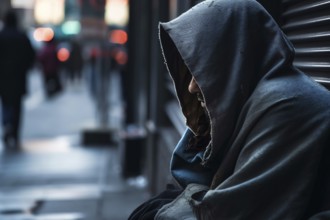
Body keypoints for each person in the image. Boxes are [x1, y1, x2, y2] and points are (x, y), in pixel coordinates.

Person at [129, 0, 330, 219]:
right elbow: (193, 173)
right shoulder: (245, 99)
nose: (191, 86)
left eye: (205, 67)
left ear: (235, 58)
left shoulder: (288, 103)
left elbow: (229, 211)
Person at [0, 10, 35, 149]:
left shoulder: (1, 36)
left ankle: (7, 125)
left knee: (6, 104)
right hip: (19, 77)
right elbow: (31, 56)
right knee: (17, 106)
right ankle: (14, 132)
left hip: (3, 78)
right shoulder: (22, 36)